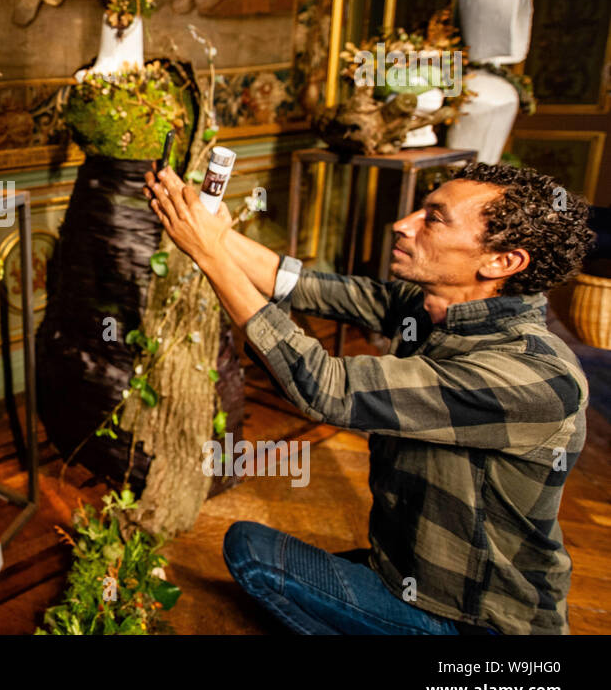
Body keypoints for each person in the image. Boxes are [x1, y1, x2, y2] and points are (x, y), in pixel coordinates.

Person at [144, 161, 593, 634]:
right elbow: (296, 284)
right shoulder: (433, 307)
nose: (403, 225)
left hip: (473, 619)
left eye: (433, 218)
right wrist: (201, 222)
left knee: (249, 552)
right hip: (403, 571)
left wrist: (211, 256)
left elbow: (326, 387)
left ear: (501, 262)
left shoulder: (535, 376)